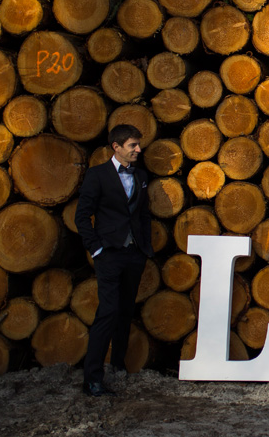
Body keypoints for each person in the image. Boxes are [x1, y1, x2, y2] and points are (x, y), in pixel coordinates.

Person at [75, 125, 152, 396]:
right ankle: (92, 378)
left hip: (134, 255)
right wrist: (96, 249)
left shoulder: (141, 176)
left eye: (138, 145)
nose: (138, 150)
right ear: (116, 147)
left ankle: (118, 364)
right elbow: (82, 216)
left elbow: (142, 215)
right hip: (108, 255)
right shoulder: (97, 176)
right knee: (107, 312)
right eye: (133, 145)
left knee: (125, 310)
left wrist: (145, 248)